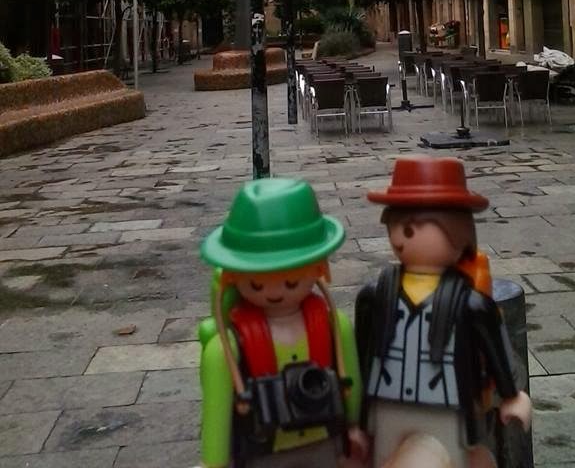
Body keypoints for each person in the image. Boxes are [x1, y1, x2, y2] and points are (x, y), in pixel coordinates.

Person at [355, 156, 531, 468]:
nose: (401, 236)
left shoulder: (469, 302)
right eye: (396, 224)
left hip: (447, 406)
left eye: (413, 228)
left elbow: (492, 343)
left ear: (458, 233)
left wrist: (511, 394)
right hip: (385, 402)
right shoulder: (376, 294)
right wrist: (355, 415)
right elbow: (362, 351)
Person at [198, 177, 365, 468]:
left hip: (325, 443)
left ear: (319, 268)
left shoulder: (333, 326)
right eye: (257, 284)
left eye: (290, 282)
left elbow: (349, 378)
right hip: (262, 450)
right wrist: (214, 462)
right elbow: (217, 412)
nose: (274, 292)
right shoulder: (228, 347)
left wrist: (355, 428)